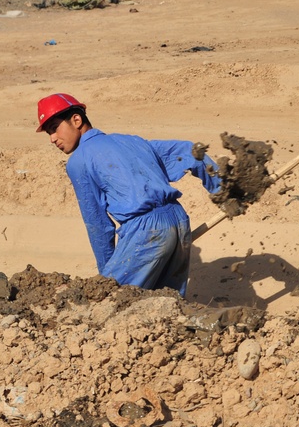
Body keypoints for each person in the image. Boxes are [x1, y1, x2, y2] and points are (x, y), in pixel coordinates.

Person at [37, 93, 221, 296]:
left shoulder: (78, 161)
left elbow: (98, 225)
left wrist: (106, 280)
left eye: (54, 128)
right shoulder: (132, 141)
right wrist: (223, 190)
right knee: (169, 306)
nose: (53, 139)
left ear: (76, 120)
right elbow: (190, 152)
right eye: (49, 134)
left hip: (145, 231)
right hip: (179, 221)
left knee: (114, 301)